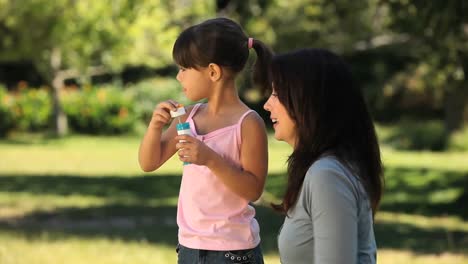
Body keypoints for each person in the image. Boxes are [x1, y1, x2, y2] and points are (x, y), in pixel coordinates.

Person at [138, 17, 272, 264]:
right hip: (189, 247)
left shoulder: (248, 123)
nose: (179, 77)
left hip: (234, 253)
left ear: (212, 71)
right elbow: (149, 162)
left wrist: (210, 159)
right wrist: (155, 128)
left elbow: (253, 190)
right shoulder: (188, 116)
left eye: (184, 69)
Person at [262, 48, 384, 264]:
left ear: (307, 101)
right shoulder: (322, 170)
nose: (267, 105)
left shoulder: (327, 175)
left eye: (277, 94)